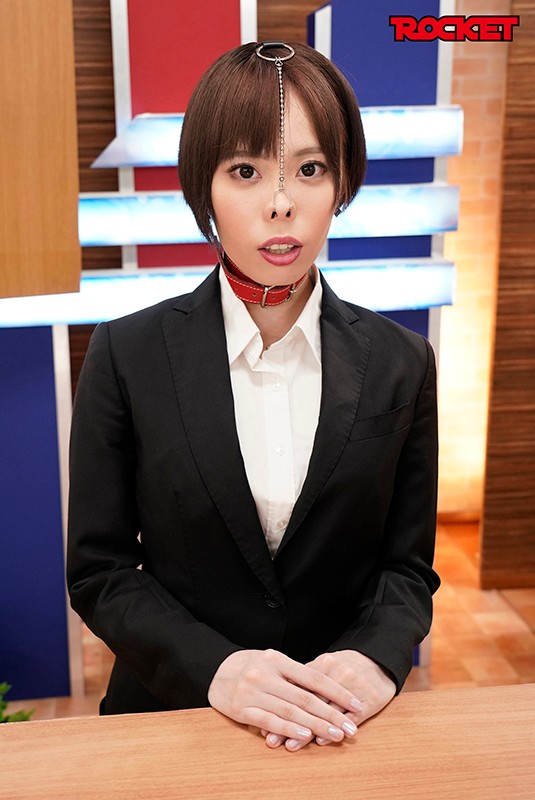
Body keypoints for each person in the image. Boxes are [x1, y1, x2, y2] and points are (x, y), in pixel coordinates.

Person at [67, 41, 440, 752]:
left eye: (310, 170)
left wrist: (375, 657)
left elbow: (407, 568)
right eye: (245, 171)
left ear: (342, 183)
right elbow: (100, 571)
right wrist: (216, 669)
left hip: (339, 724)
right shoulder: (126, 354)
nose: (280, 203)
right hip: (172, 719)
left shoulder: (403, 362)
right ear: (203, 186)